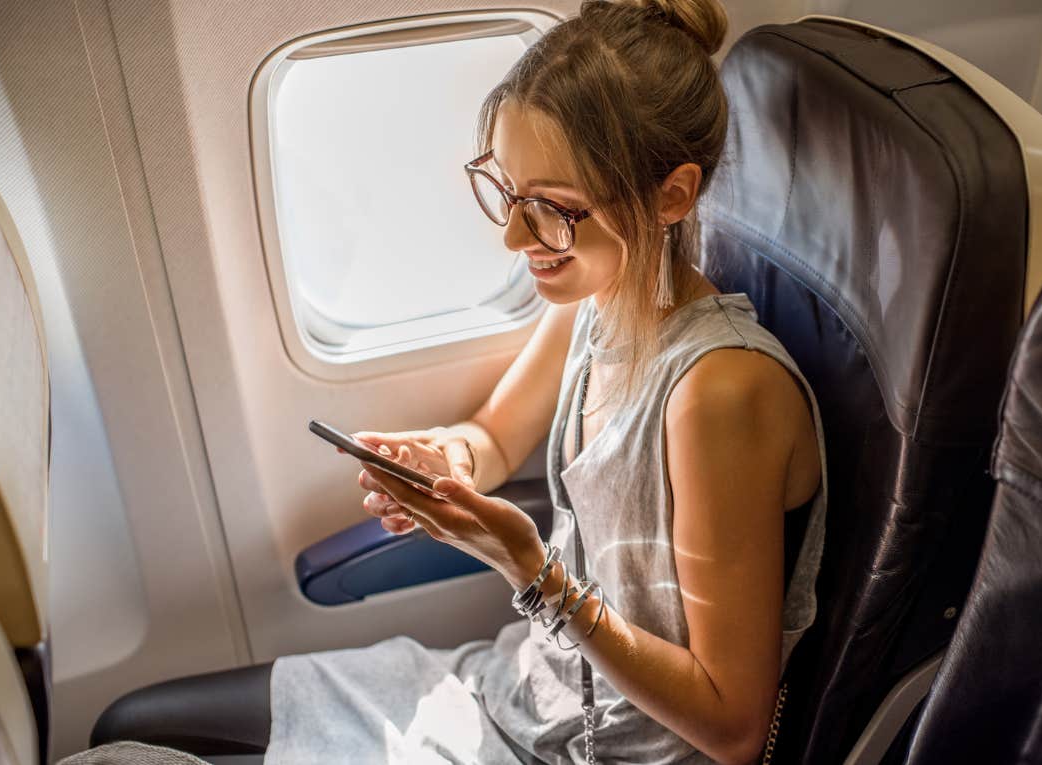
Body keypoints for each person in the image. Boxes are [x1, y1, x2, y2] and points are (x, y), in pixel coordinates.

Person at [93, 1, 826, 762]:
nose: (514, 236)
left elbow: (733, 727)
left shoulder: (721, 394)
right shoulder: (599, 302)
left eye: (551, 208)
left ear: (671, 196)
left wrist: (532, 571)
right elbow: (495, 434)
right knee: (126, 730)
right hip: (521, 691)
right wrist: (451, 460)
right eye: (508, 192)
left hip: (603, 747)